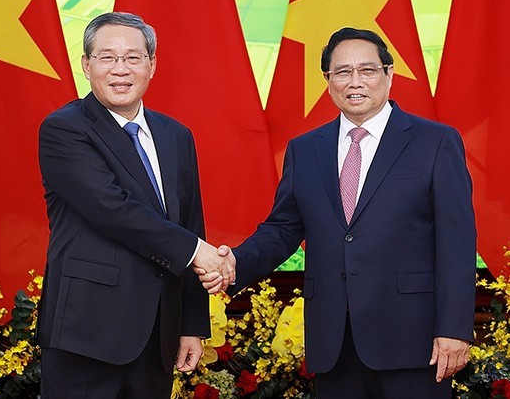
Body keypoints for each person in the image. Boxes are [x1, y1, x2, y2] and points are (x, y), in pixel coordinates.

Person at [204, 27, 476, 398]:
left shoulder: (435, 142)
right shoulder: (305, 149)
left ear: (388, 74)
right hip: (334, 342)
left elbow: (457, 242)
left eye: (367, 70)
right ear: (327, 80)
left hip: (413, 341)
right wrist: (233, 262)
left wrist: (455, 328)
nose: (355, 82)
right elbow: (283, 229)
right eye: (342, 72)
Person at [37, 12, 233, 399]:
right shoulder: (65, 128)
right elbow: (113, 209)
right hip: (87, 335)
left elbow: (191, 225)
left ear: (151, 65)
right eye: (107, 57)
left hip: (157, 337)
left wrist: (191, 323)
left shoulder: (175, 135)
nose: (120, 69)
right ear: (87, 65)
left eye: (133, 58)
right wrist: (199, 253)